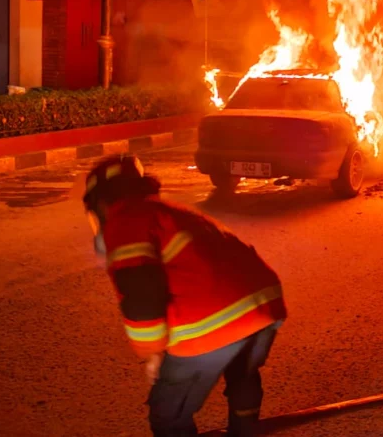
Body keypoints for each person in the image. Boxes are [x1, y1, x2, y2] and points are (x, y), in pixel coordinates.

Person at [80, 156, 286, 437]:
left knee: (167, 415)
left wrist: (152, 354)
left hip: (213, 318)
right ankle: (245, 429)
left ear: (102, 204)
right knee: (243, 375)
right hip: (265, 305)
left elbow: (141, 298)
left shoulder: (125, 220)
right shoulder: (168, 213)